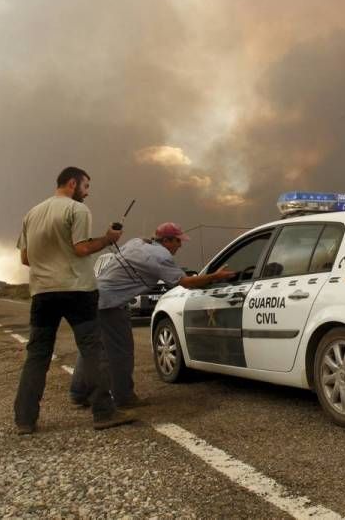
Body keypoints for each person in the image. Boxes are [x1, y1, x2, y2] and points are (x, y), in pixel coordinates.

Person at [14, 166, 136, 434]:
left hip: (42, 293)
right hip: (77, 291)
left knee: (37, 356)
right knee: (93, 350)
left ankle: (25, 420)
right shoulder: (77, 210)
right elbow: (81, 248)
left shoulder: (31, 214)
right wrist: (108, 238)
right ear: (72, 183)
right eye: (86, 187)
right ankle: (104, 413)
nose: (87, 193)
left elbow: (25, 259)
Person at [70, 222, 236, 408]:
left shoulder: (136, 243)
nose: (179, 245)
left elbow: (140, 243)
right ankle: (123, 397)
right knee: (120, 352)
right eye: (177, 241)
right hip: (110, 304)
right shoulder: (160, 256)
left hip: (92, 297)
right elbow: (187, 282)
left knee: (91, 349)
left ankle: (78, 393)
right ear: (166, 240)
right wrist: (215, 277)